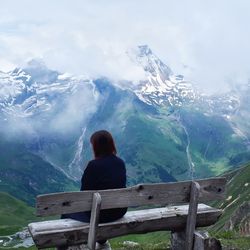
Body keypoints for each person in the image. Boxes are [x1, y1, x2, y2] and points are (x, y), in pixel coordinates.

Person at [61, 130, 127, 248]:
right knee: (101, 208)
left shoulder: (93, 166)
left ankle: (64, 247)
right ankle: (102, 243)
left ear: (96, 147)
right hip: (119, 211)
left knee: (65, 213)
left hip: (99, 215)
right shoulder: (120, 163)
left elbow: (84, 195)